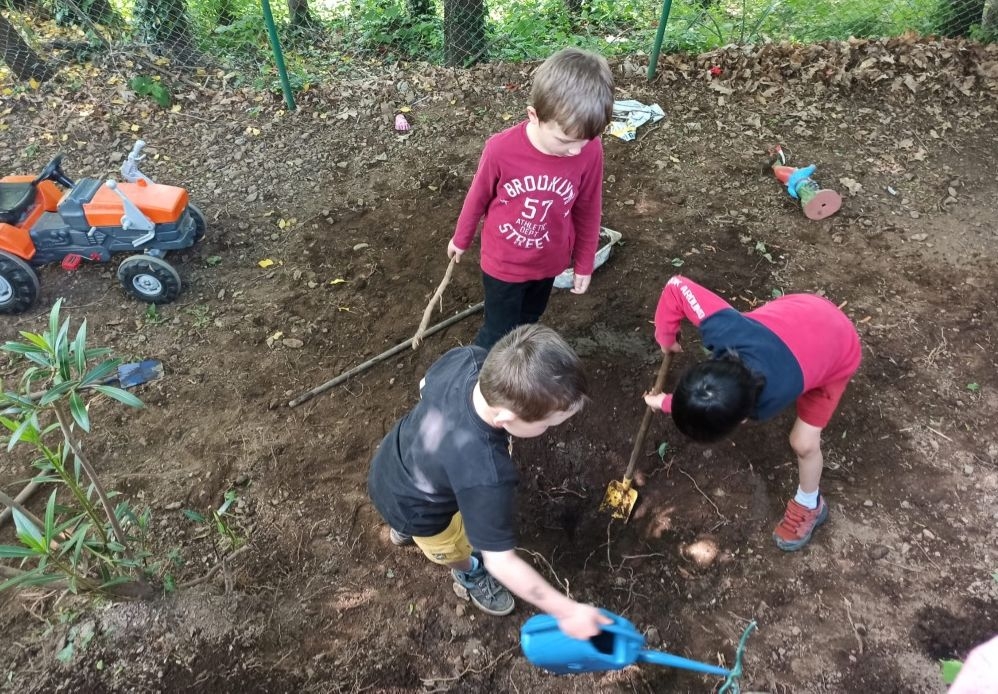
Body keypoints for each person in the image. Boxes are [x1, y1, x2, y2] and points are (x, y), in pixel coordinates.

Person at [368, 324, 611, 639]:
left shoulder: (470, 360)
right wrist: (568, 610)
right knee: (452, 545)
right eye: (549, 424)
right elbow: (501, 561)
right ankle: (467, 573)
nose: (551, 429)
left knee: (409, 504)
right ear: (507, 419)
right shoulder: (486, 474)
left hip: (390, 461)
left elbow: (426, 383)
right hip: (423, 513)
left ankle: (401, 529)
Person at [643, 275, 862, 551]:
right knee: (763, 327)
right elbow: (676, 286)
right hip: (802, 310)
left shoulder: (767, 402)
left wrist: (666, 403)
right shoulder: (722, 328)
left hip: (839, 347)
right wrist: (665, 335)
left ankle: (810, 504)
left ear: (743, 419)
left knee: (803, 443)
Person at [447, 47, 614, 350]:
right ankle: (472, 380)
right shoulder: (500, 150)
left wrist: (584, 262)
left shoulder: (590, 150)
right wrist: (462, 238)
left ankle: (513, 379)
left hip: (548, 262)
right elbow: (478, 196)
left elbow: (588, 209)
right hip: (504, 262)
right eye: (565, 141)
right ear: (534, 116)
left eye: (584, 141)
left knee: (529, 320)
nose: (576, 151)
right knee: (498, 332)